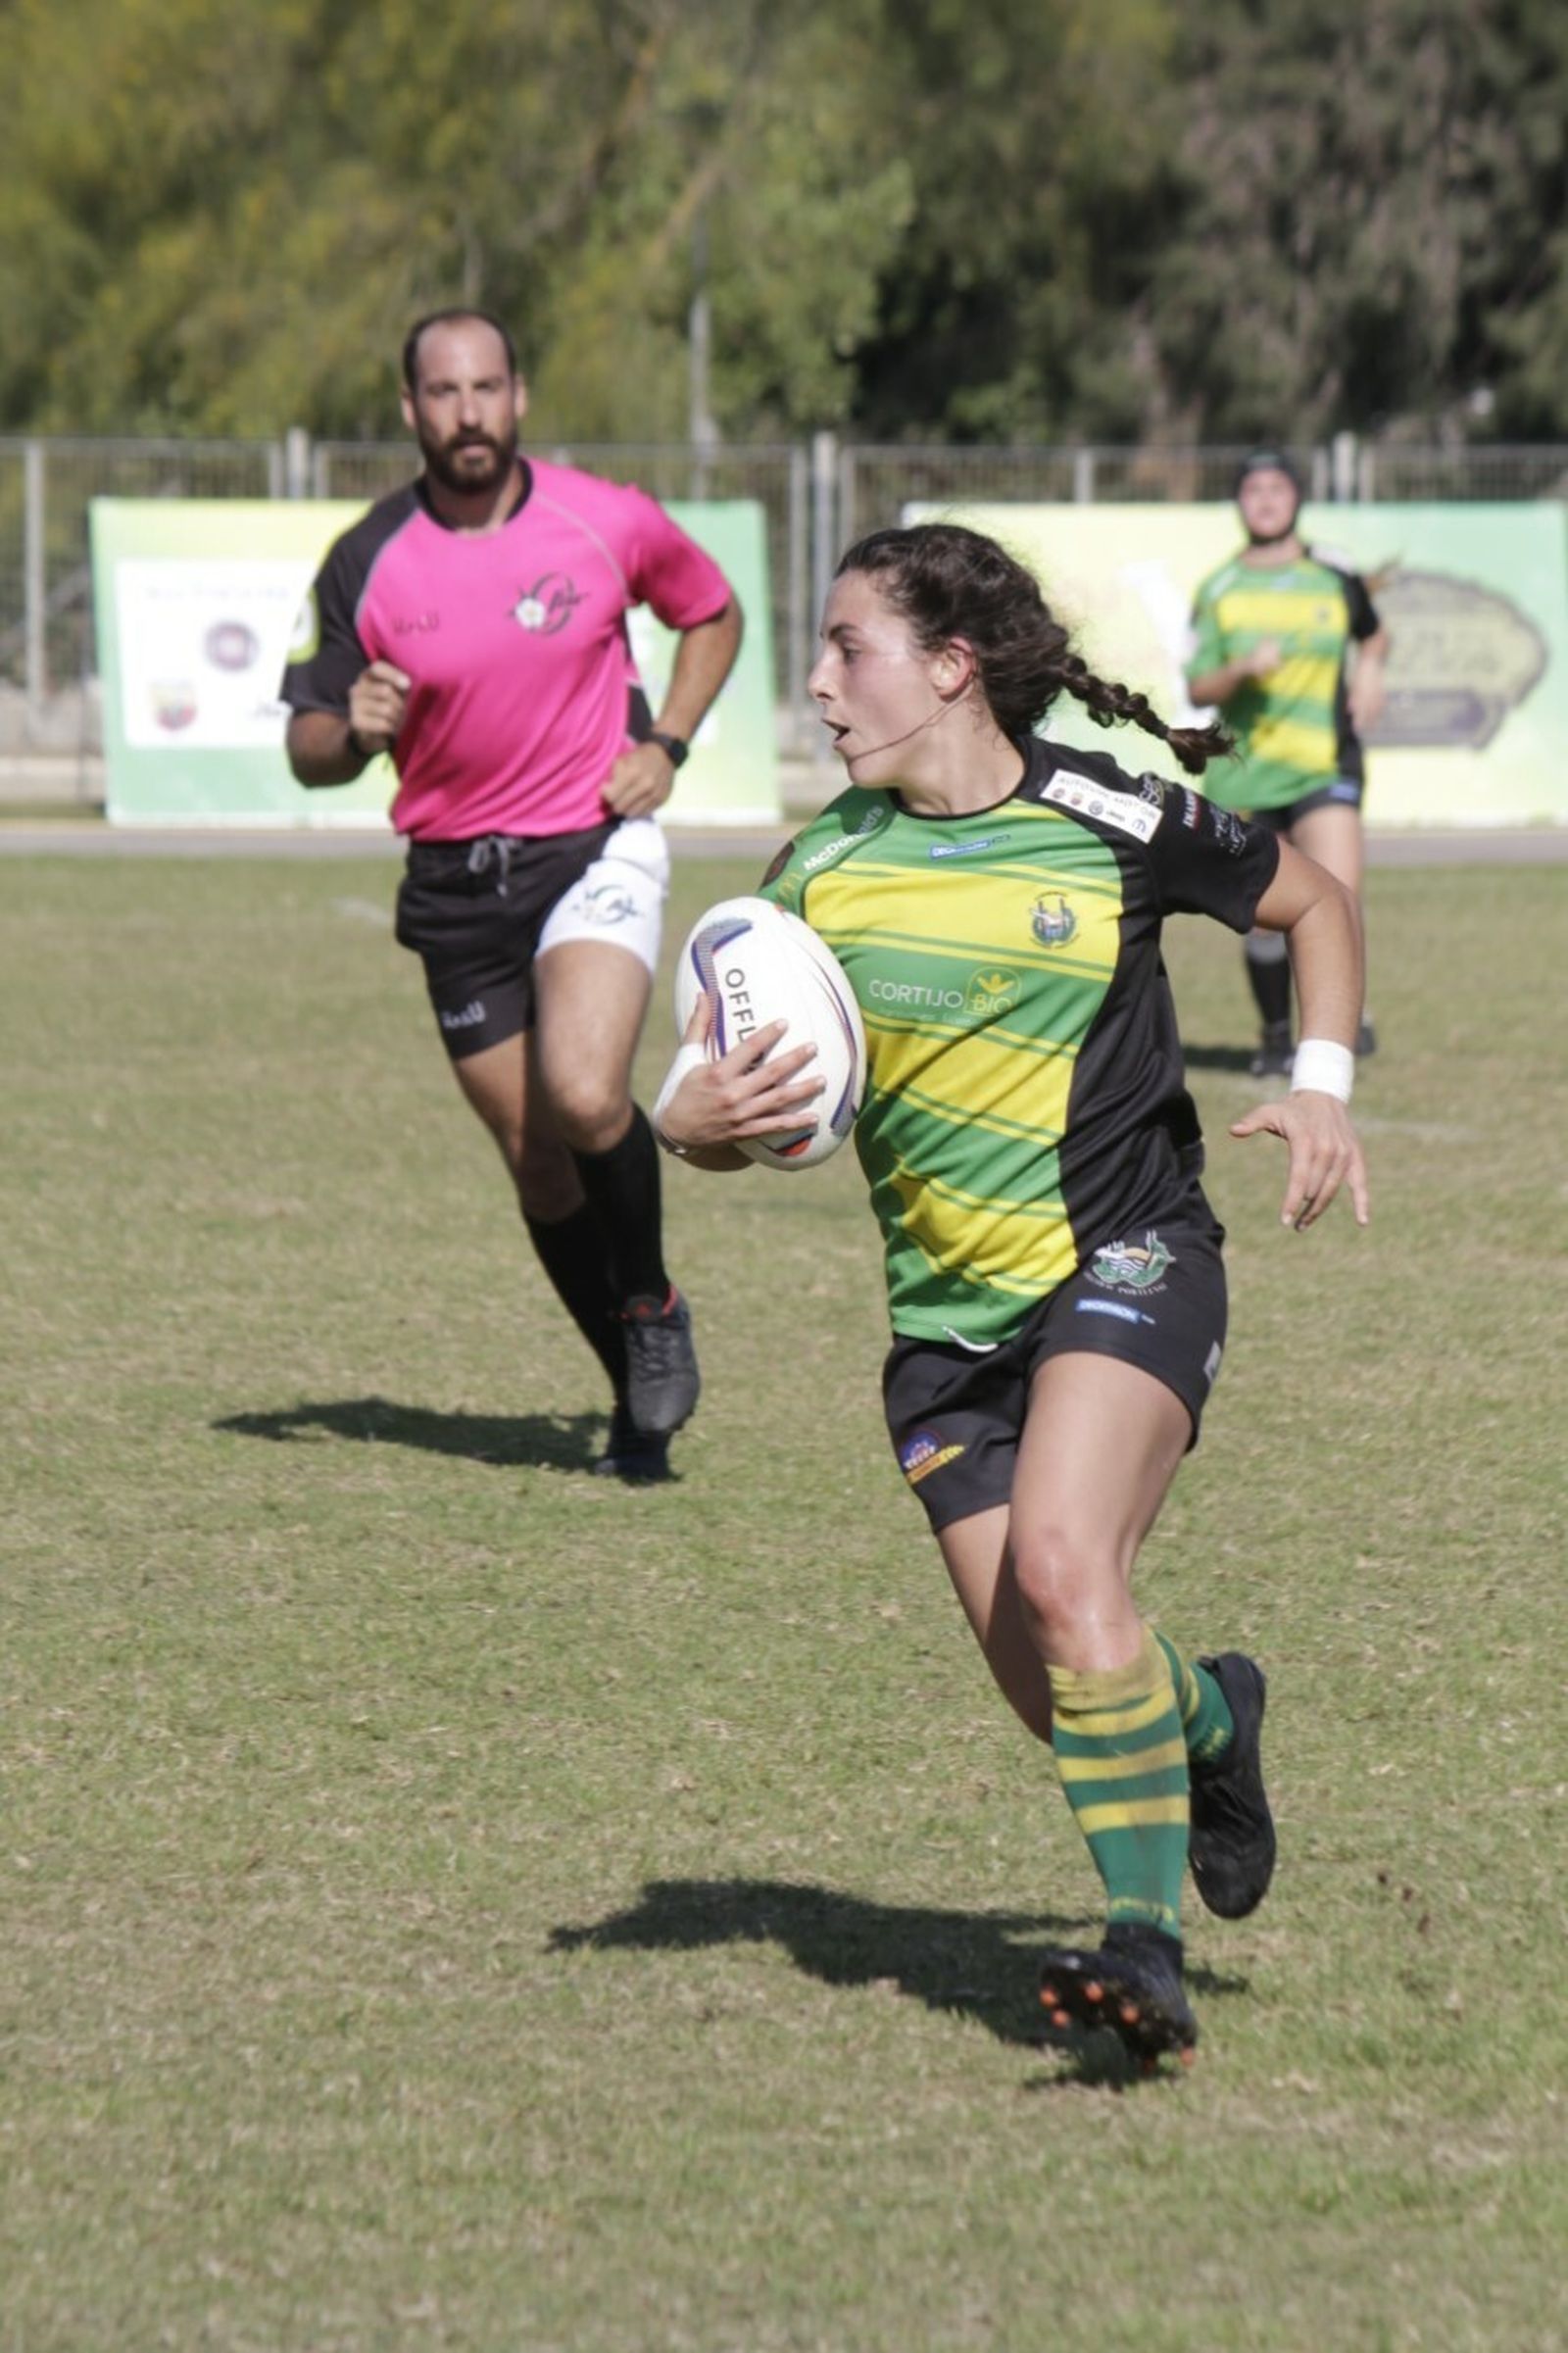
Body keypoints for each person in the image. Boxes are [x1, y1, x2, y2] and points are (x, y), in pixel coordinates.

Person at [653, 523, 1368, 2068]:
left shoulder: (1110, 816)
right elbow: (723, 1102)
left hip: (1130, 1256)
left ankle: (1142, 1951)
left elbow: (1315, 903)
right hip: (943, 1333)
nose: (819, 684)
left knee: (1063, 1561)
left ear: (950, 666)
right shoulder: (815, 873)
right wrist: (683, 1124)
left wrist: (1321, 1082)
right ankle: (1214, 1715)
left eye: (848, 648)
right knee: (1061, 1689)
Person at [281, 308, 743, 1482]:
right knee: (538, 1162)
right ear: (410, 409)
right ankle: (633, 1399)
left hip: (590, 848)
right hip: (452, 883)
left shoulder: (603, 518)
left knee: (584, 1094)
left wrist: (668, 742)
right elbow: (307, 744)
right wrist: (352, 731)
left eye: (486, 387)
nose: (468, 412)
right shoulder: (363, 558)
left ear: (519, 395)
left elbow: (712, 609)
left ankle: (651, 1305)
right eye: (443, 392)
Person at [1185, 449, 1389, 1076]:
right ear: (1238, 503)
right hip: (1249, 772)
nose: (1267, 500)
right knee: (1266, 919)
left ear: (1297, 498)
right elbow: (1198, 686)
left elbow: (1373, 632)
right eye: (1254, 489)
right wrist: (1242, 669)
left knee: (1338, 895)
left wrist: (1371, 671)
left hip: (1325, 762)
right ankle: (1276, 1035)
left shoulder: (1333, 571)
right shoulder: (1219, 588)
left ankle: (1335, 1030)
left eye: (1278, 487)